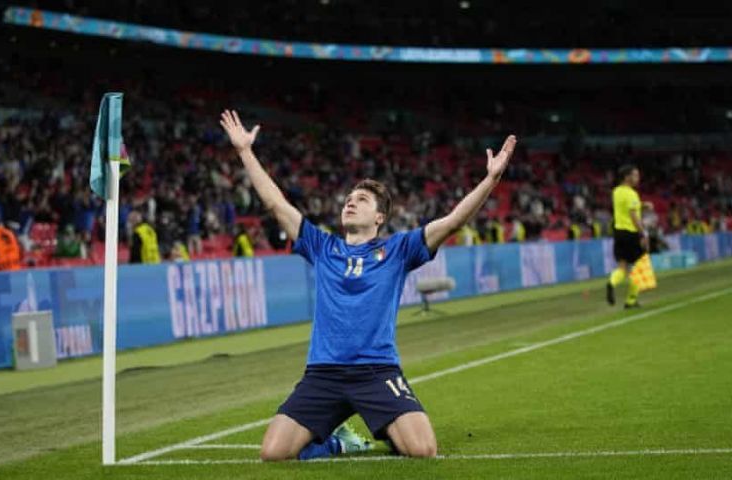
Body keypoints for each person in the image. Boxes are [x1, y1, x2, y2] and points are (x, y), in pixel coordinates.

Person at [220, 110, 516, 461]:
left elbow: (453, 222)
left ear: (379, 217)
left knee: (423, 450)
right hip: (323, 374)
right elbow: (275, 203)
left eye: (361, 200)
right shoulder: (322, 246)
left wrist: (491, 180)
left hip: (376, 372)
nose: (350, 202)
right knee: (273, 454)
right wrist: (245, 152)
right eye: (349, 198)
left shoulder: (398, 250)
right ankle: (337, 442)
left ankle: (386, 428)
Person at [606, 165, 647, 309]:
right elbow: (633, 214)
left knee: (622, 267)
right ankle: (631, 300)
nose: (638, 178)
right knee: (639, 268)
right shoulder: (632, 194)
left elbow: (626, 206)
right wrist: (642, 233)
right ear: (627, 177)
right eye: (635, 175)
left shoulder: (616, 192)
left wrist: (643, 205)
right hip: (631, 233)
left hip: (618, 233)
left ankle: (611, 282)